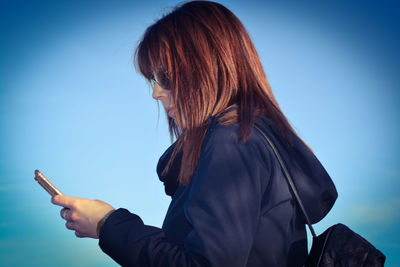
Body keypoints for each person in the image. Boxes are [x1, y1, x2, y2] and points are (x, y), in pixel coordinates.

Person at [51, 1, 338, 266]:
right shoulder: (254, 139)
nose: (155, 93)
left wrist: (108, 224)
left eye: (164, 77)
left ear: (204, 69)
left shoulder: (232, 142)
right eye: (152, 79)